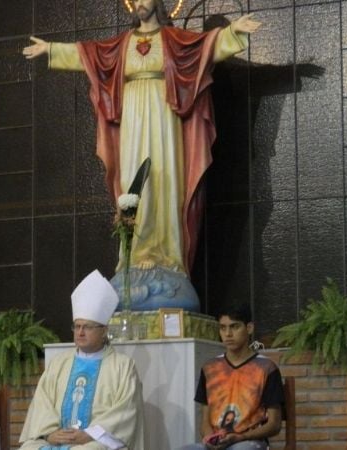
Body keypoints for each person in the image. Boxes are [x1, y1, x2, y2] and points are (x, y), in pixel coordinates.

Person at [22, 1, 261, 294]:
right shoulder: (122, 45)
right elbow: (90, 55)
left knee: (166, 179)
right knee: (133, 183)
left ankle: (169, 257)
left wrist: (233, 31)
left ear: (158, 5)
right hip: (132, 118)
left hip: (166, 116)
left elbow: (207, 46)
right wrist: (51, 49)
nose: (140, 3)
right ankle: (135, 256)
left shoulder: (174, 41)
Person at [19, 270, 145, 449]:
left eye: (87, 327)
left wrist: (89, 434)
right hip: (59, 438)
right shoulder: (59, 364)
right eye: (77, 326)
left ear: (103, 330)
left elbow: (125, 412)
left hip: (95, 440)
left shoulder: (122, 366)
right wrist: (50, 433)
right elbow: (42, 403)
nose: (80, 332)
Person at [180, 305, 283, 450]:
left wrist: (241, 437)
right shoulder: (210, 368)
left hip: (249, 442)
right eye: (223, 328)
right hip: (217, 442)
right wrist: (210, 439)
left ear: (249, 328)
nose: (228, 334)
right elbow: (205, 422)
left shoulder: (266, 368)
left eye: (234, 327)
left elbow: (274, 424)